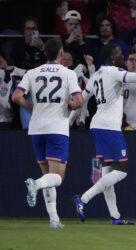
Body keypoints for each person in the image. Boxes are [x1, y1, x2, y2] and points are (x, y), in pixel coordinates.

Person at [11, 38, 83, 228]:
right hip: (57, 128)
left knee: (47, 176)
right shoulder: (68, 73)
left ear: (45, 53)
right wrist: (71, 105)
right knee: (56, 177)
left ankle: (54, 219)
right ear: (61, 54)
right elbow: (79, 100)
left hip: (36, 129)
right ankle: (35, 184)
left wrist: (30, 106)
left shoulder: (32, 72)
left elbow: (16, 96)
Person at [72, 43, 136, 225]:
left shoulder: (96, 75)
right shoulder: (114, 71)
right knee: (121, 170)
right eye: (119, 53)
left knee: (106, 173)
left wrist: (69, 120)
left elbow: (81, 98)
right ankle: (83, 199)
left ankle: (115, 217)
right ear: (112, 57)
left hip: (97, 125)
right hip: (109, 127)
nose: (122, 56)